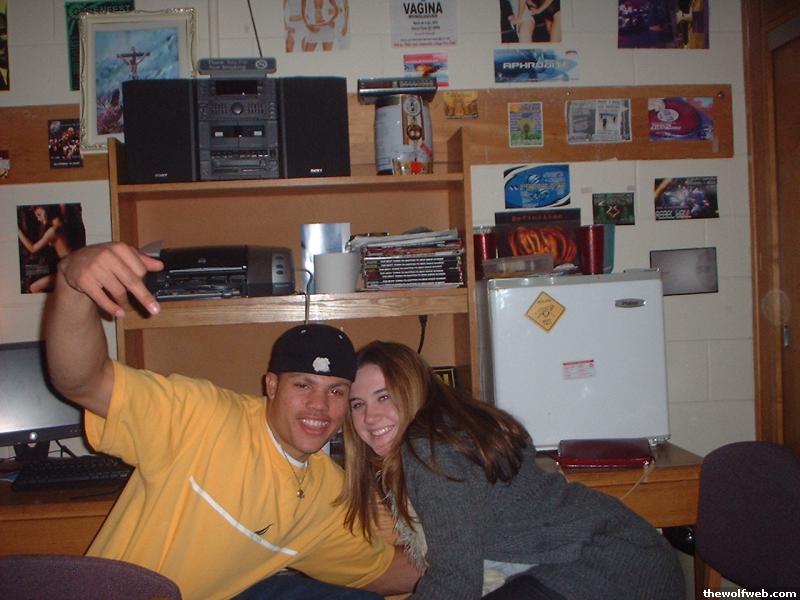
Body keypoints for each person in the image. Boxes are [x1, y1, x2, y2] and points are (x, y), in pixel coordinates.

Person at [43, 242, 420, 600]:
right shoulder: (199, 415)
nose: (319, 406)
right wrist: (72, 286)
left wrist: (456, 543)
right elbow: (82, 381)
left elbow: (382, 572)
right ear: (271, 386)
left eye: (336, 391)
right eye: (303, 385)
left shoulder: (326, 495)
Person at [340, 341, 686, 599]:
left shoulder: (431, 452)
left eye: (384, 397)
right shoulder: (438, 437)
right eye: (357, 405)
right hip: (608, 559)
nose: (369, 417)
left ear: (414, 391)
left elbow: (455, 581)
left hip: (610, 567)